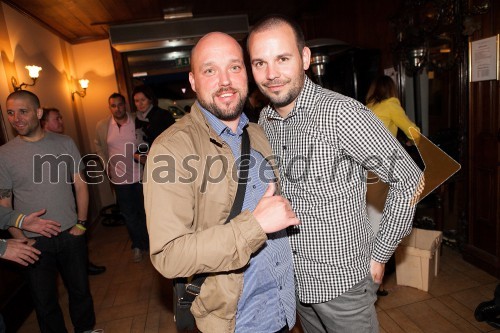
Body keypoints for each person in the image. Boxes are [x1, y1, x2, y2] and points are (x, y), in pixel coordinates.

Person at [247, 15, 424, 333]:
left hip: (344, 286)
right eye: (260, 63)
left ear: (304, 58)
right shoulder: (265, 119)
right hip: (295, 284)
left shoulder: (342, 113)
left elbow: (408, 179)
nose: (271, 74)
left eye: (282, 59)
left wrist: (380, 255)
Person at [144, 32, 299, 333]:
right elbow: (169, 255)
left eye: (234, 67)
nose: (225, 80)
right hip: (238, 322)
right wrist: (254, 226)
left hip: (283, 309)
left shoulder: (257, 133)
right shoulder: (172, 149)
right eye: (210, 70)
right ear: (193, 81)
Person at [0, 90, 96, 333]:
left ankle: (85, 329)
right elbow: (4, 203)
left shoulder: (64, 142)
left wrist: (82, 223)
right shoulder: (4, 154)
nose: (16, 118)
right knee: (45, 302)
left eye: (23, 111)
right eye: (10, 113)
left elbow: (81, 184)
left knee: (80, 291)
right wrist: (20, 240)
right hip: (32, 242)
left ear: (38, 112)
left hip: (70, 234)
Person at [365, 75, 421, 296]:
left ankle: (366, 276)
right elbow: (412, 131)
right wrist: (412, 138)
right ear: (391, 90)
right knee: (380, 224)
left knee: (367, 222)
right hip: (382, 172)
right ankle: (373, 280)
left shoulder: (367, 107)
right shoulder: (391, 104)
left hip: (363, 171)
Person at [41, 106, 107, 275]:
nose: (61, 121)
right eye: (57, 118)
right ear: (44, 122)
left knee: (77, 235)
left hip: (72, 194)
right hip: (53, 206)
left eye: (61, 117)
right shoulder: (41, 147)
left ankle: (83, 263)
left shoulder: (65, 142)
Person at [95, 93, 149, 263]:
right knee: (129, 215)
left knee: (145, 212)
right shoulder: (103, 125)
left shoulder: (136, 120)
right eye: (113, 105)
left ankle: (150, 244)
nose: (117, 108)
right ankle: (137, 246)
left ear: (125, 105)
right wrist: (107, 168)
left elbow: (146, 142)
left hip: (140, 175)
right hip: (120, 180)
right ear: (109, 107)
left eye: (120, 105)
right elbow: (99, 149)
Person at [132, 85, 175, 164]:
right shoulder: (138, 118)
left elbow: (174, 139)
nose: (140, 104)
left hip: (166, 159)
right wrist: (138, 156)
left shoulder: (163, 115)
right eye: (137, 101)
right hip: (149, 162)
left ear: (150, 99)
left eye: (143, 100)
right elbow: (142, 142)